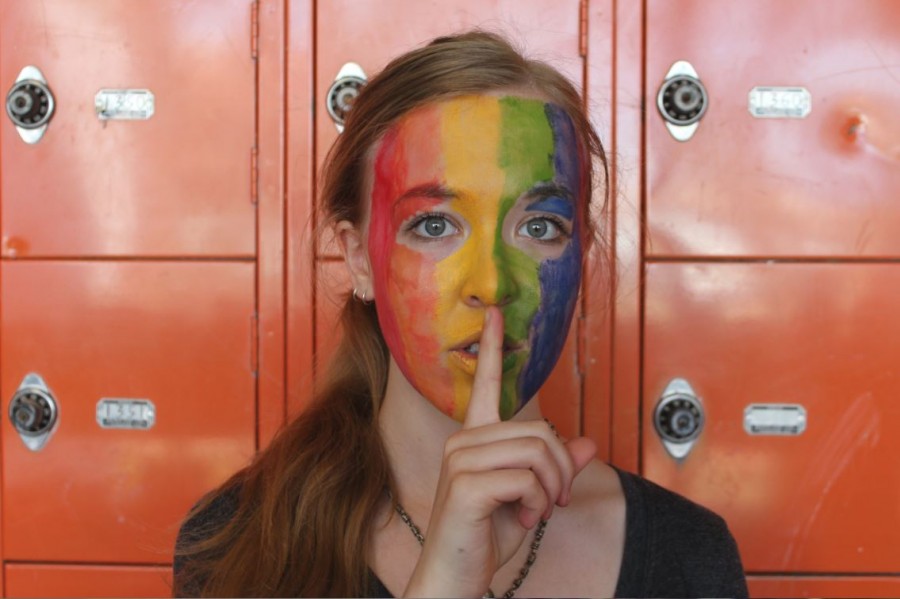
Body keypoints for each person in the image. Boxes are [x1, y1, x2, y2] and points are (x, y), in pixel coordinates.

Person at [173, 30, 748, 598]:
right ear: (359, 259)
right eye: (433, 226)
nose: (493, 283)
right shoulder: (235, 543)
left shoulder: (691, 555)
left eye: (540, 227)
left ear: (581, 257)